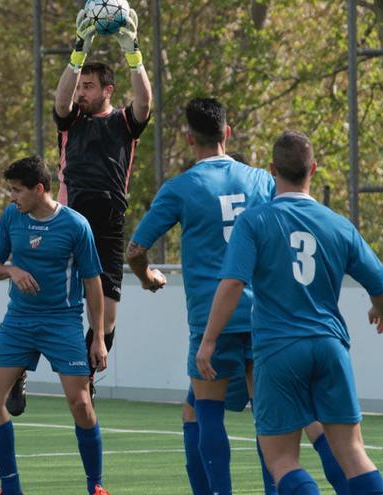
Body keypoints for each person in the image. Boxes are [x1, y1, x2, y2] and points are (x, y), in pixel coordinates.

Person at [197, 131, 383, 495]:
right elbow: (380, 284)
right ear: (313, 169)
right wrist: (381, 311)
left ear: (272, 171)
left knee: (282, 460)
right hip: (330, 345)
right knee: (352, 452)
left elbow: (232, 285)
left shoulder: (254, 221)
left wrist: (208, 341)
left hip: (278, 349)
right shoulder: (337, 224)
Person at [1, 3, 153, 415]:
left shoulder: (123, 122)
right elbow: (60, 99)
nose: (81, 91)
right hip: (67, 219)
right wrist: (79, 50)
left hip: (108, 224)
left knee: (107, 315)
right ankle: (18, 370)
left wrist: (132, 51)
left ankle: (86, 376)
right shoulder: (72, 121)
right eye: (79, 84)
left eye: (89, 85)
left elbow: (145, 104)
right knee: (38, 297)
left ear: (107, 90)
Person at [126, 98, 273, 494]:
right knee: (268, 419)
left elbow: (135, 250)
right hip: (261, 314)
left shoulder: (181, 187)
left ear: (188, 137)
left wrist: (147, 277)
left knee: (204, 413)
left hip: (212, 320)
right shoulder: (261, 180)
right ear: (228, 132)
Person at [0, 156, 111, 495]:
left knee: (80, 403)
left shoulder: (75, 225)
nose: (12, 197)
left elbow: (93, 282)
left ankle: (96, 486)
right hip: (19, 321)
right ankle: (11, 489)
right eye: (11, 190)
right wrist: (12, 270)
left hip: (62, 321)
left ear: (39, 190)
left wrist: (98, 337)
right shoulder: (12, 216)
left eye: (17, 190)